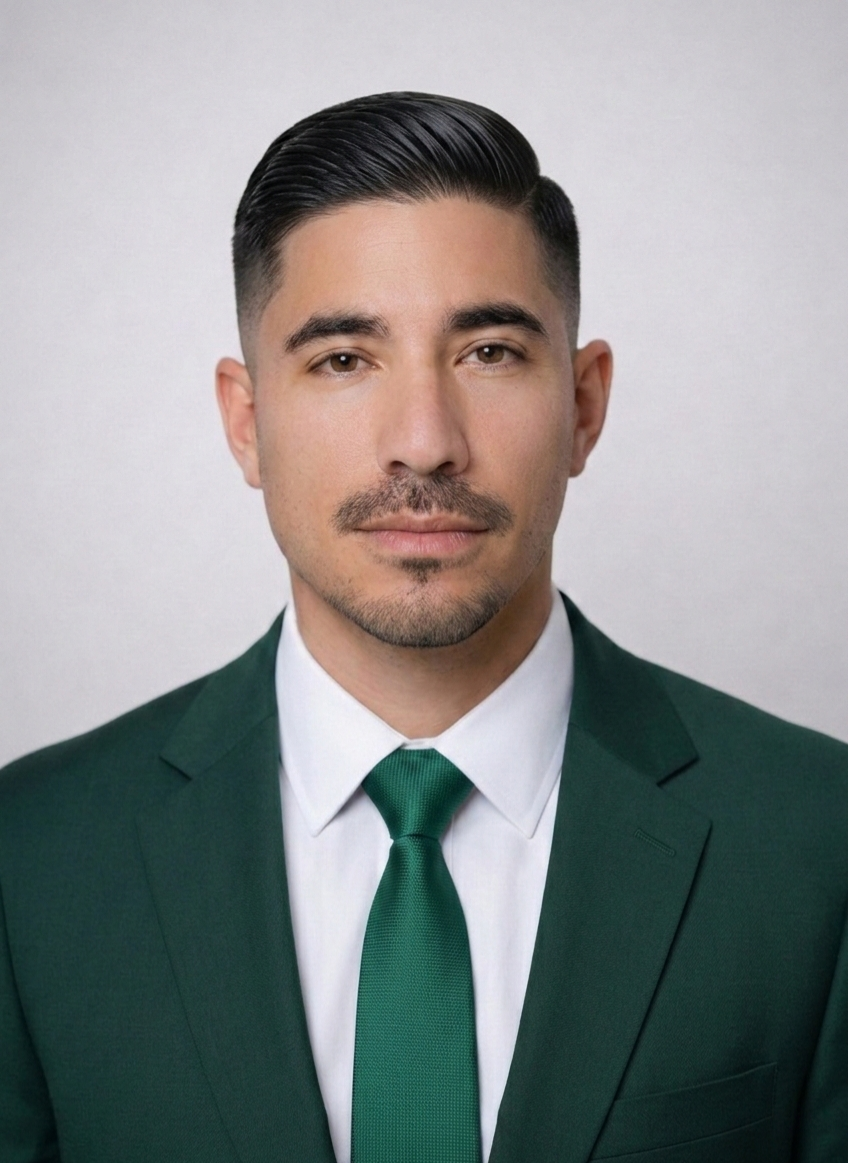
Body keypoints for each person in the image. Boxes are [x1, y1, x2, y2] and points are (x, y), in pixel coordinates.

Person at [0, 91, 845, 1163]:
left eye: (488, 350)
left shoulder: (818, 844)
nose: (424, 442)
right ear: (246, 423)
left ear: (582, 405)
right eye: (344, 359)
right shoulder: (28, 861)